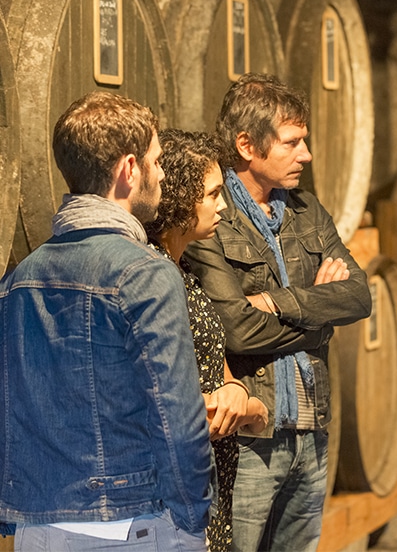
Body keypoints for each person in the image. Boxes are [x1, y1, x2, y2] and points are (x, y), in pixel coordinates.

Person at [0, 92, 213, 550]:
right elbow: (177, 415)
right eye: (156, 162)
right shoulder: (146, 274)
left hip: (38, 528)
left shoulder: (19, 278)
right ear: (129, 169)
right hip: (130, 526)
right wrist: (194, 519)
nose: (161, 173)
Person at [184, 73, 372, 551]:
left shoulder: (308, 211)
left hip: (310, 432)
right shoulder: (212, 220)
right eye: (292, 142)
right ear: (248, 145)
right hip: (251, 440)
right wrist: (320, 323)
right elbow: (238, 332)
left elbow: (358, 296)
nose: (305, 154)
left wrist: (279, 302)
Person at [144, 128, 269, 552]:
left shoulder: (186, 275)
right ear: (180, 198)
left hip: (208, 483)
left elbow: (216, 368)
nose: (224, 206)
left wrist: (235, 388)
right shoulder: (154, 278)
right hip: (176, 495)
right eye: (213, 194)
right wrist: (249, 406)